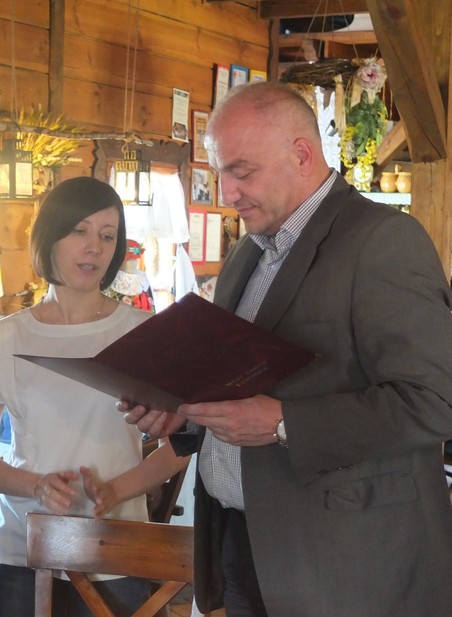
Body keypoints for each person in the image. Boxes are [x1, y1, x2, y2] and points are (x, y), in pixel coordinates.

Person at [124, 81, 452, 616]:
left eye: (241, 171)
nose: (227, 194)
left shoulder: (382, 241)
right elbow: (238, 387)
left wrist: (283, 424)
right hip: (241, 544)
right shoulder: (246, 254)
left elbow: (436, 400)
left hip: (344, 563)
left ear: (301, 154)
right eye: (220, 173)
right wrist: (183, 412)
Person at [0, 177, 188, 617]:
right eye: (79, 230)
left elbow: (179, 445)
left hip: (117, 547)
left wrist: (115, 490)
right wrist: (35, 486)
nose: (94, 248)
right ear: (50, 236)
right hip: (22, 549)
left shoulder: (143, 333)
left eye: (107, 236)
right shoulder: (4, 338)